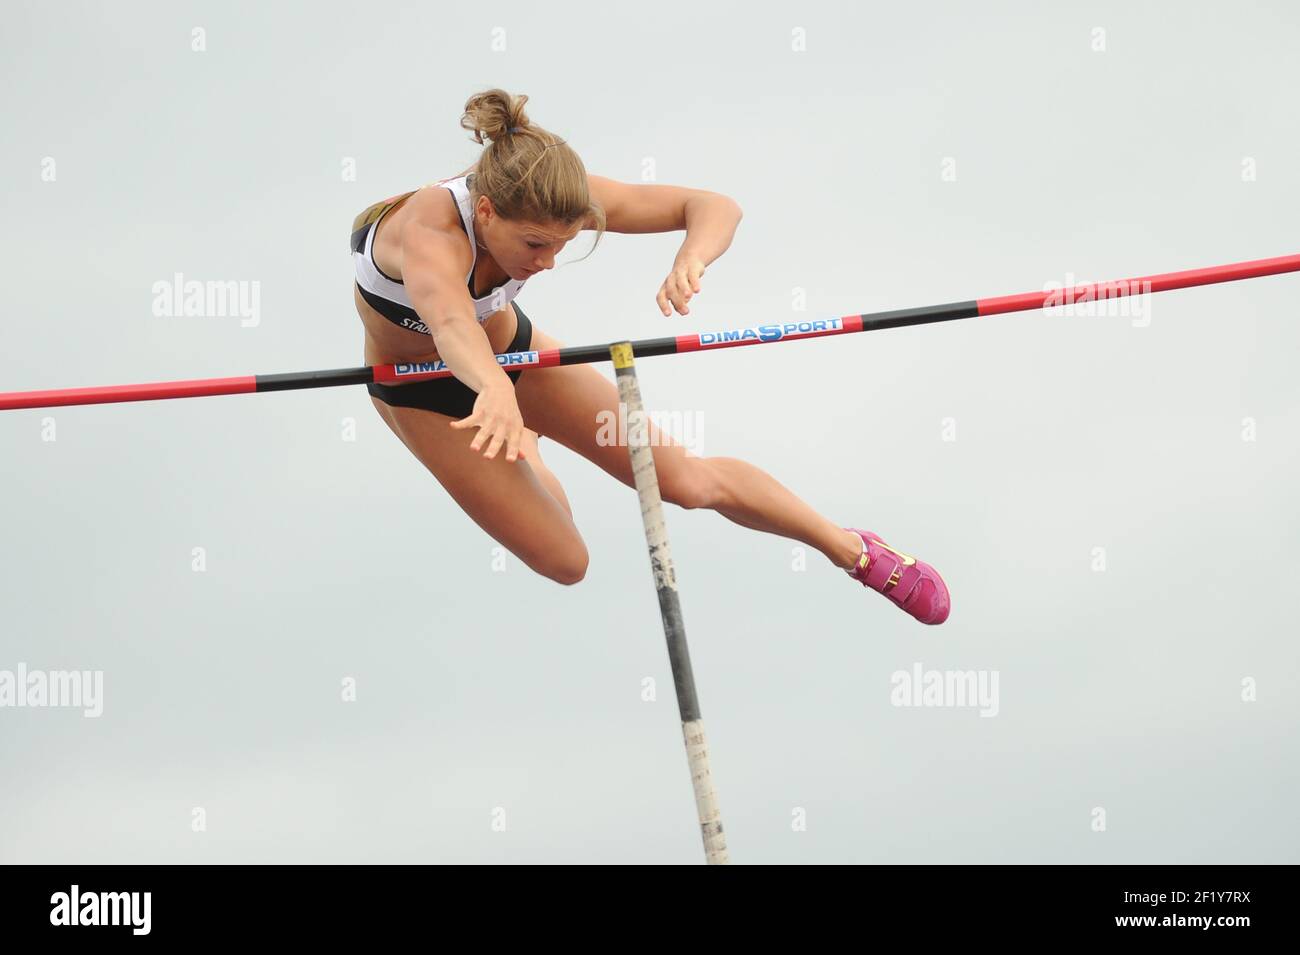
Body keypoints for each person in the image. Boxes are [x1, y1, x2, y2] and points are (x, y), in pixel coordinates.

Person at [351, 88, 949, 624]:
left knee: (686, 482)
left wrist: (692, 258)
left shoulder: (560, 198)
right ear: (485, 212)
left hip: (516, 359)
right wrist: (495, 393)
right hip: (424, 392)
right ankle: (529, 441)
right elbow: (453, 323)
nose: (548, 262)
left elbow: (713, 206)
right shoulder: (431, 230)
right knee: (566, 560)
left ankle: (853, 549)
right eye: (535, 245)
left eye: (563, 245)